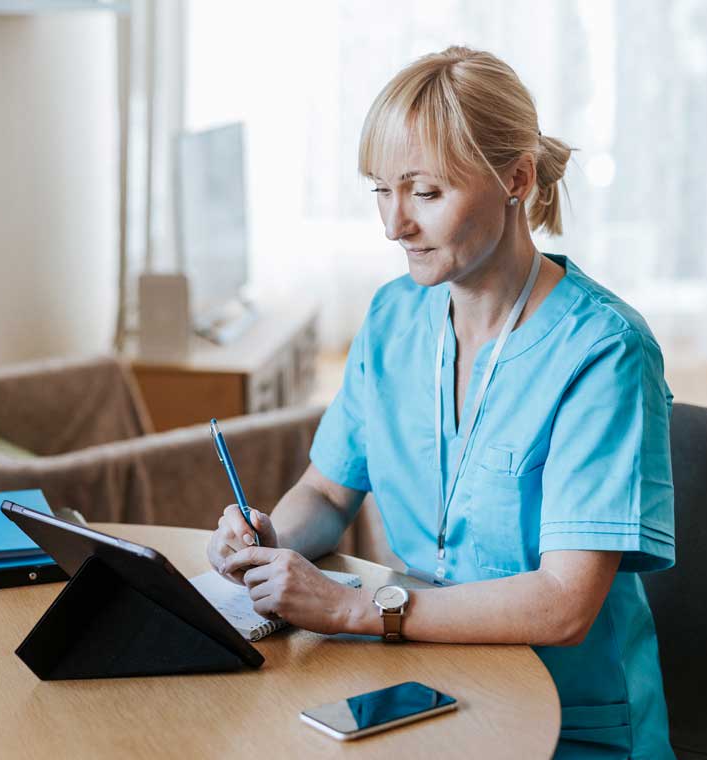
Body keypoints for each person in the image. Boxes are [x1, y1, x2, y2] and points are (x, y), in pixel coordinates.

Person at [207, 46, 675, 759]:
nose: (394, 225)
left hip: (568, 723)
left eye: (424, 193)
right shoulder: (394, 318)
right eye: (381, 191)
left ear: (515, 178)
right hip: (421, 690)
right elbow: (328, 493)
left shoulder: (604, 352)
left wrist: (351, 608)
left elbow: (564, 603)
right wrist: (268, 544)